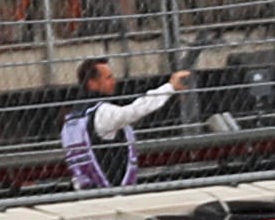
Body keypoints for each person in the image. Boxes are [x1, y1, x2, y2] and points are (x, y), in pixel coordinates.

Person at [59, 55, 189, 191]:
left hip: (84, 190)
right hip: (109, 190)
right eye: (108, 78)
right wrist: (170, 87)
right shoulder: (102, 112)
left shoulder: (73, 117)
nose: (114, 82)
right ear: (93, 83)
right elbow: (134, 110)